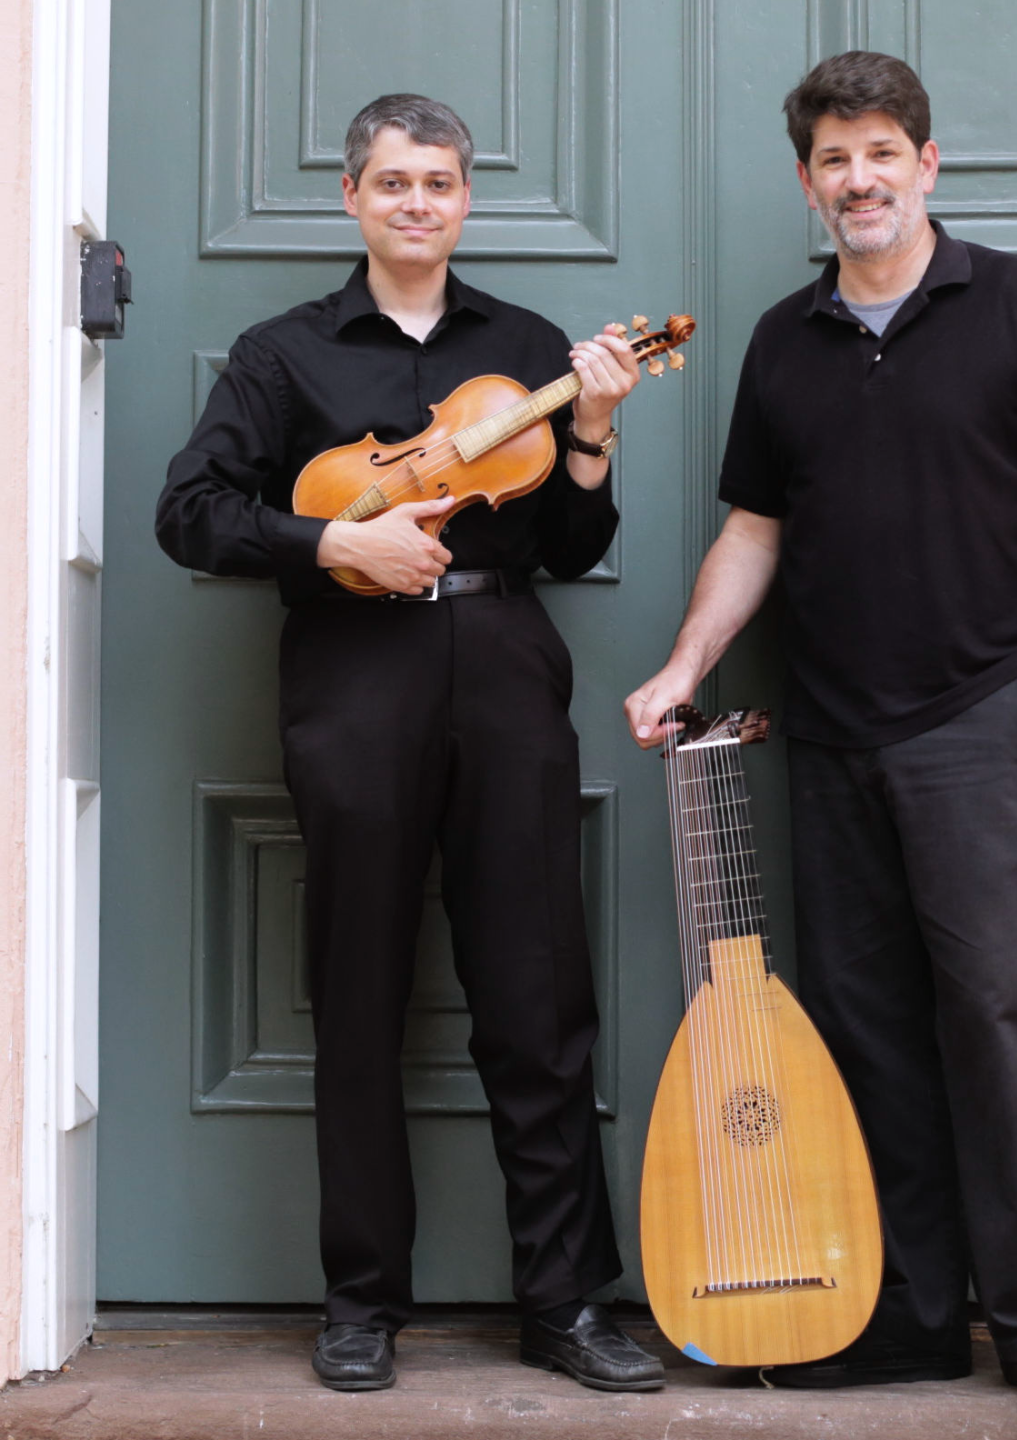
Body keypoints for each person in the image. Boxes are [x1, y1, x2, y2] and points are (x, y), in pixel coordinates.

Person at [625, 52, 1017, 1423]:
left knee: (1000, 1030)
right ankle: (913, 1320)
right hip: (831, 740)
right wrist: (688, 659)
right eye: (832, 158)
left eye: (882, 152)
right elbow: (756, 525)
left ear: (927, 165)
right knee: (870, 1037)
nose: (858, 179)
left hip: (982, 731)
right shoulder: (779, 339)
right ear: (804, 182)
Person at [157, 93, 664, 1396]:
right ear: (353, 199)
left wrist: (594, 435)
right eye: (394, 183)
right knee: (362, 993)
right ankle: (361, 1302)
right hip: (354, 677)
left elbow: (570, 549)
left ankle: (564, 1304)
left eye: (439, 182)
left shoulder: (531, 346)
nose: (419, 202)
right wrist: (333, 542)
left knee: (540, 1002)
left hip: (501, 669)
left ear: (465, 199)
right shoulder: (283, 356)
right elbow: (190, 511)